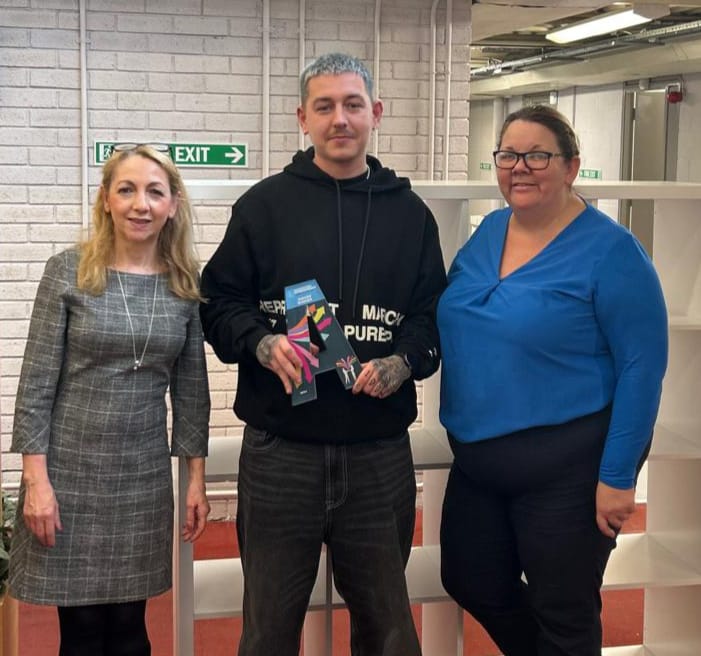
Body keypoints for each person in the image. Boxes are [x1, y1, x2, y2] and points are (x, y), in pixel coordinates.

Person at [199, 52, 446, 656]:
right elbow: (218, 301)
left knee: (389, 633)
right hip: (281, 453)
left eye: (353, 104)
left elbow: (432, 315)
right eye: (325, 106)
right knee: (267, 633)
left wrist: (404, 362)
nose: (341, 118)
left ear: (376, 114)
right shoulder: (263, 207)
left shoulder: (411, 215)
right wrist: (259, 342)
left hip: (378, 454)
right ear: (302, 118)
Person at [437, 104, 668, 656]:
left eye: (538, 155)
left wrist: (617, 477)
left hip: (569, 470)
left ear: (570, 167)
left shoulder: (612, 252)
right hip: (478, 463)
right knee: (469, 579)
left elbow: (643, 368)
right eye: (508, 155)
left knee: (564, 611)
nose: (521, 166)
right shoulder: (489, 232)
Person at [9, 143, 211, 656]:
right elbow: (36, 383)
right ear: (105, 199)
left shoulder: (184, 284)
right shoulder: (69, 271)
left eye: (154, 192)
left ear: (173, 204)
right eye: (126, 190)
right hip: (70, 476)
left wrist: (195, 481)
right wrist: (36, 482)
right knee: (79, 633)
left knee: (129, 629)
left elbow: (192, 393)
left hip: (141, 478)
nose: (140, 204)